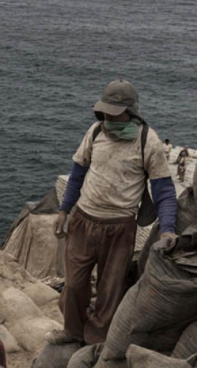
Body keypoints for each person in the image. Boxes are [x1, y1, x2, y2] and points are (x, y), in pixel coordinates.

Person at [51, 79, 178, 346]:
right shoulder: (95, 132)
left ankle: (96, 340)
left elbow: (164, 191)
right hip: (84, 221)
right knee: (73, 285)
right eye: (105, 110)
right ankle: (73, 332)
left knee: (110, 290)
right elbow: (77, 174)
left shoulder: (148, 142)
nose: (107, 115)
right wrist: (64, 210)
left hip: (120, 228)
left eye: (114, 111)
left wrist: (167, 228)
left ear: (131, 110)